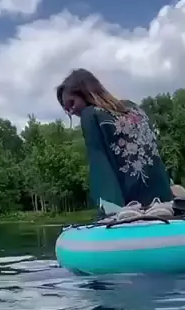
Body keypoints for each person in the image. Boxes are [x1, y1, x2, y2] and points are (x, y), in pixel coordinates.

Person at [56, 68, 175, 216]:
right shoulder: (133, 107)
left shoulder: (90, 115)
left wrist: (110, 206)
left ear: (85, 93)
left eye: (71, 103)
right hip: (161, 201)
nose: (71, 111)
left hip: (131, 207)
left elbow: (99, 162)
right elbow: (154, 153)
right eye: (67, 110)